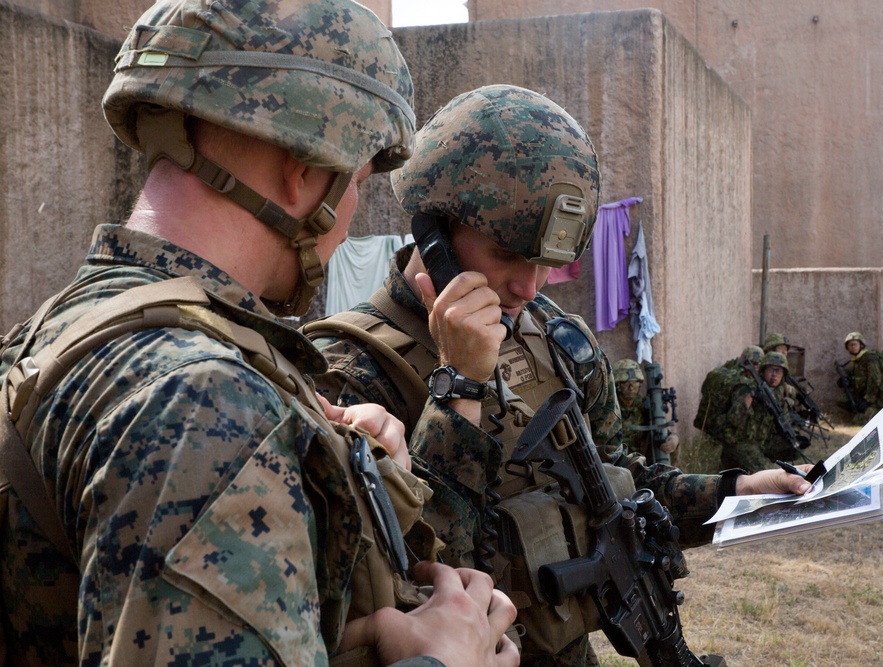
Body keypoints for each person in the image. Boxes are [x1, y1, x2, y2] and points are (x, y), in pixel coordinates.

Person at [0, 2, 517, 665]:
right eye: (356, 182)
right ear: (304, 171)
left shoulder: (49, 339)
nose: (353, 213)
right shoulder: (207, 401)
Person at [305, 84, 814, 666]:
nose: (529, 286)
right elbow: (407, 574)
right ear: (433, 230)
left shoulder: (555, 337)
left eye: (546, 262)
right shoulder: (344, 372)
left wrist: (737, 491)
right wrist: (461, 387)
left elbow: (617, 482)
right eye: (508, 254)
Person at [718, 352, 805, 473]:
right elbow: (733, 419)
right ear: (763, 371)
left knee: (793, 447)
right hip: (741, 442)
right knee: (771, 473)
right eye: (771, 370)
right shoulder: (747, 388)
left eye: (778, 371)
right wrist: (750, 397)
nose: (774, 375)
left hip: (761, 442)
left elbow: (784, 422)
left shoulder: (778, 396)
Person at [612, 359, 679, 462]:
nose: (631, 387)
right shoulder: (611, 407)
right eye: (626, 382)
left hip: (643, 464)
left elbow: (661, 431)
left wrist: (674, 440)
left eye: (635, 382)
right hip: (616, 464)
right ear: (617, 384)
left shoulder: (645, 406)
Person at [838, 331, 883, 421]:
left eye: (855, 344)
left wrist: (868, 400)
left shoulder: (870, 358)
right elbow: (861, 379)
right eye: (850, 345)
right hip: (866, 397)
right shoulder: (857, 361)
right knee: (843, 400)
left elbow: (875, 380)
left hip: (878, 399)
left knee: (859, 421)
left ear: (861, 345)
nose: (852, 347)